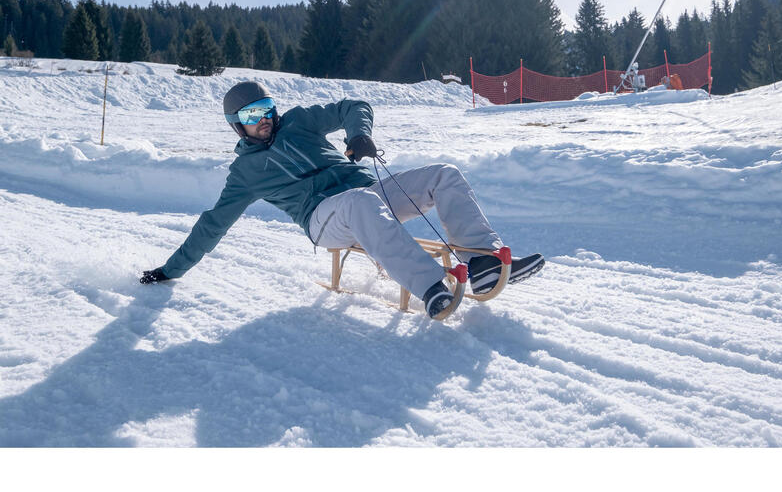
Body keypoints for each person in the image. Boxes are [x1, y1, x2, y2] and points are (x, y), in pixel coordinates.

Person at [140, 81, 544, 318]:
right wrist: (170, 270)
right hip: (324, 219)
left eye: (265, 108)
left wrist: (358, 134)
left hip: (367, 190)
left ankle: (485, 261)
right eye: (250, 115)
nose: (263, 119)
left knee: (445, 175)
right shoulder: (243, 175)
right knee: (359, 203)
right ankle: (432, 287)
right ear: (236, 126)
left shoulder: (298, 121)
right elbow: (213, 224)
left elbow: (353, 105)